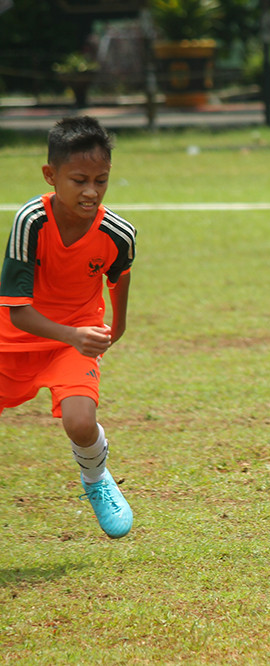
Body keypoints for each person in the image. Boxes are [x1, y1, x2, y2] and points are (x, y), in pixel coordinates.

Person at [0, 116, 136, 538]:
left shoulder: (118, 233)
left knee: (80, 422)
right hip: (15, 337)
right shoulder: (30, 222)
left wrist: (114, 329)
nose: (91, 191)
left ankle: (96, 480)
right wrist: (74, 335)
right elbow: (17, 311)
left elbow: (119, 277)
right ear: (51, 175)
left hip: (73, 338)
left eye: (101, 180)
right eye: (79, 180)